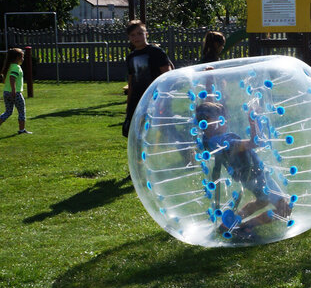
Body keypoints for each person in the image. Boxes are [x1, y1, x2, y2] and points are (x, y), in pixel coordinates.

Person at [193, 99, 292, 240]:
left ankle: (229, 224)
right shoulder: (224, 142)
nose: (225, 122)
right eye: (221, 119)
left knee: (262, 201)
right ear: (208, 121)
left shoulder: (209, 141)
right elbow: (255, 142)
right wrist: (253, 121)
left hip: (249, 178)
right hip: (258, 177)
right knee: (285, 209)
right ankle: (244, 226)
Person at [121, 20, 173, 138]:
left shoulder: (156, 52)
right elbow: (131, 82)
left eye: (140, 33)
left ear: (146, 34)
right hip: (137, 99)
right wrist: (129, 104)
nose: (136, 37)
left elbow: (167, 76)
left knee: (161, 131)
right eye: (133, 35)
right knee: (136, 133)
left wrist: (163, 99)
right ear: (129, 37)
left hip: (155, 98)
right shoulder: (131, 57)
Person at [0, 48, 31, 137]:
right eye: (22, 57)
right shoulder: (16, 67)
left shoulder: (9, 67)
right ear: (17, 58)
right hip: (15, 93)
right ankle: (22, 130)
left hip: (6, 92)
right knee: (21, 111)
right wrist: (13, 90)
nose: (23, 59)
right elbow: (12, 78)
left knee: (8, 111)